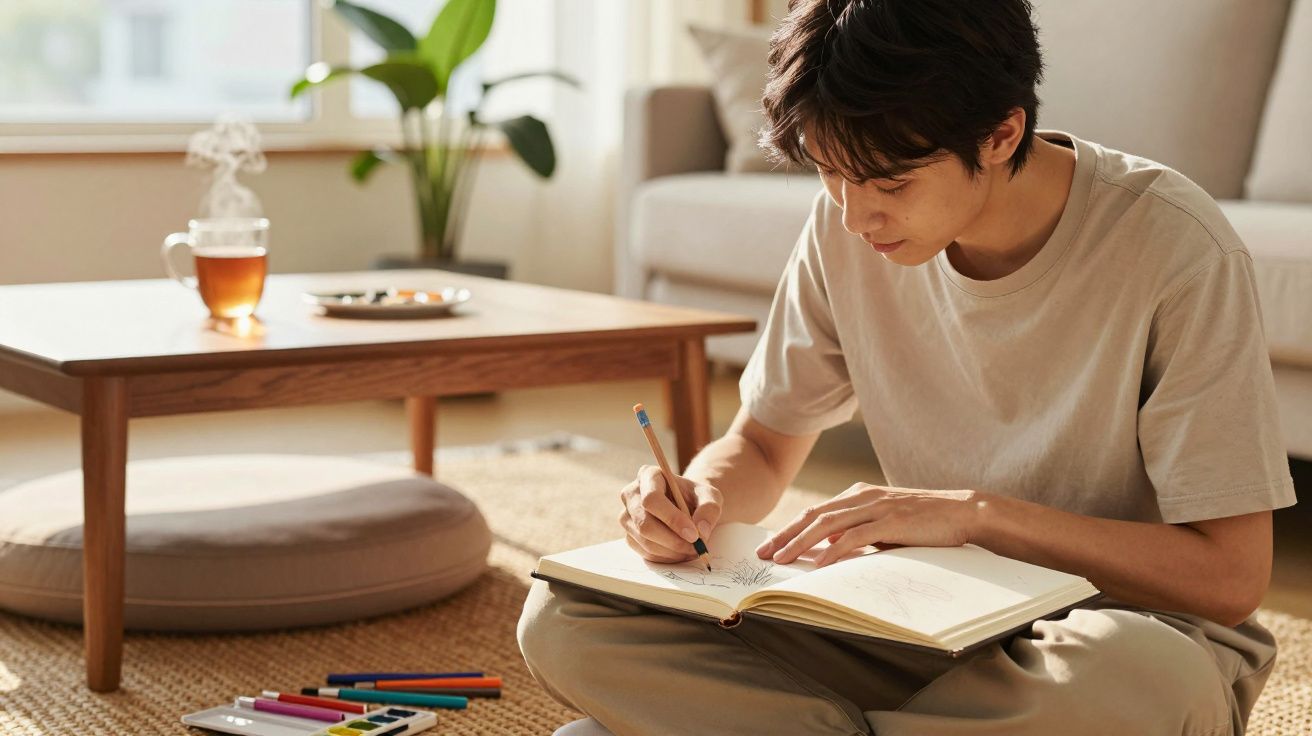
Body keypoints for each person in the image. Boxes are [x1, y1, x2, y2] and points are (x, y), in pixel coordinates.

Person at [518, 0, 1297, 733]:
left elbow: (1227, 579)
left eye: (890, 183)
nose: (855, 217)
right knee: (562, 615)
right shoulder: (847, 224)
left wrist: (978, 516)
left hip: (1105, 637)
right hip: (914, 629)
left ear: (1000, 135)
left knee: (1146, 675)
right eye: (830, 175)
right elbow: (760, 446)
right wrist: (695, 501)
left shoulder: (1175, 247)